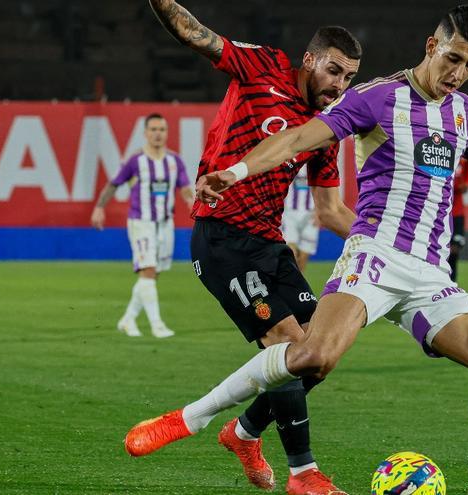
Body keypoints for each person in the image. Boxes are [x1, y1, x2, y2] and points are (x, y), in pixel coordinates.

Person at [126, 6, 468, 495]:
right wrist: (238, 172)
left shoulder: (464, 113)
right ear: (432, 47)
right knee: (310, 355)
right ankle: (195, 420)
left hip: (431, 273)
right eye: (453, 58)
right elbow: (299, 138)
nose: (458, 74)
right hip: (373, 257)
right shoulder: (376, 97)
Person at [142, 2, 360, 494]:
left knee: (318, 354)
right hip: (222, 238)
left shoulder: (324, 131)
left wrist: (390, 245)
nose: (339, 86)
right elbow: (197, 35)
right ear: (309, 60)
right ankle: (304, 474)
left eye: (348, 78)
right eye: (334, 71)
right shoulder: (261, 65)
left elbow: (330, 210)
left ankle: (243, 433)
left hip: (268, 243)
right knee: (287, 344)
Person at [90, 113, 194, 339]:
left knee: (152, 274)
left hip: (165, 224)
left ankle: (127, 320)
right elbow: (113, 184)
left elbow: (185, 189)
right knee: (148, 270)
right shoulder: (135, 161)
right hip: (141, 222)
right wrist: (99, 207)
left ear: (167, 133)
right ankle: (157, 325)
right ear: (145, 133)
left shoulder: (174, 161)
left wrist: (194, 205)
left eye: (162, 129)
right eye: (153, 129)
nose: (158, 133)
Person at [281, 165, 320, 272]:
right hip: (289, 214)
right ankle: (288, 281)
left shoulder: (316, 164)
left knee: (304, 256)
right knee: (290, 251)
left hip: (310, 215)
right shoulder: (289, 162)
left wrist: (319, 211)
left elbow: (322, 188)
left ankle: (299, 283)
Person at [449, 158, 468, 281]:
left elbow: (467, 181)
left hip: (457, 213)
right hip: (442, 212)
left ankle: (452, 283)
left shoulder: (464, 161)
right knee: (442, 251)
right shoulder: (440, 158)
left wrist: (465, 185)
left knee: (454, 250)